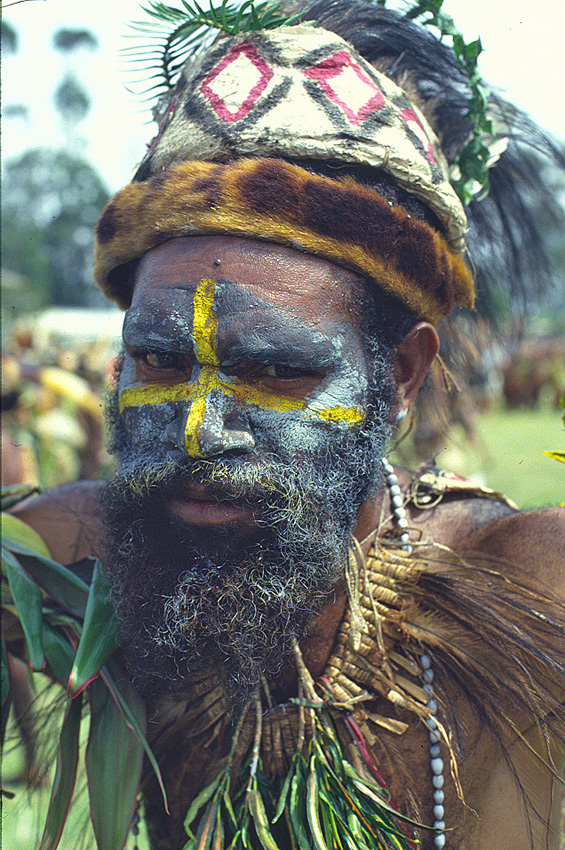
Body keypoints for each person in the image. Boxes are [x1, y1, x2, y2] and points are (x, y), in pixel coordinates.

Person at [6, 1, 565, 848]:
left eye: (275, 371)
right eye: (160, 362)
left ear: (402, 375)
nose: (201, 431)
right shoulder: (78, 549)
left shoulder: (530, 588)